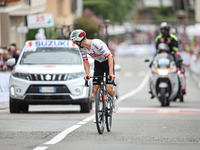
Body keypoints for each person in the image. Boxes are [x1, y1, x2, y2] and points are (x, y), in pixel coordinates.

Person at [70, 29, 118, 122]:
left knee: (109, 89)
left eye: (76, 42)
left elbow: (109, 57)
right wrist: (87, 74)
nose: (75, 43)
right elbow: (85, 61)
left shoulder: (96, 43)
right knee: (95, 88)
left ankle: (113, 99)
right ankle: (98, 112)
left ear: (80, 40)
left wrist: (111, 73)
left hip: (108, 62)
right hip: (98, 64)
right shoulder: (81, 48)